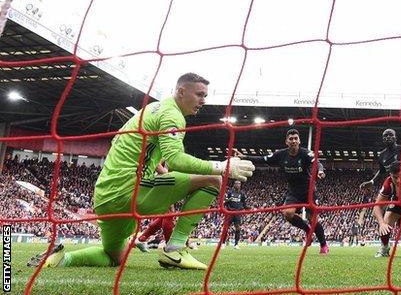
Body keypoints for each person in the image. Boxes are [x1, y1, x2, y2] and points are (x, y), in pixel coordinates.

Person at [28, 73, 255, 270]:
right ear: (181, 91)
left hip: (106, 197)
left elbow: (126, 140)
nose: (203, 101)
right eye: (200, 94)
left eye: (205, 95)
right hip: (130, 192)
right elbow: (176, 160)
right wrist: (223, 166)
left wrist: (156, 167)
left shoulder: (150, 109)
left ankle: (60, 259)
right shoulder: (172, 115)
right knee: (213, 180)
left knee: (114, 257)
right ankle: (175, 249)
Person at [235, 129, 329, 254]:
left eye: (296, 138)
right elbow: (263, 159)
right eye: (291, 139)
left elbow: (317, 162)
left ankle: (323, 245)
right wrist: (244, 157)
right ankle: (307, 230)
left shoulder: (305, 153)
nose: (294, 140)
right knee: (287, 214)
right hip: (293, 192)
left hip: (309, 191)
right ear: (286, 141)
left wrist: (320, 171)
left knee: (314, 220)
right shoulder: (280, 154)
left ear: (299, 141)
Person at [224, 180, 249, 249]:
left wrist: (249, 209)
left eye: (239, 184)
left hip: (238, 213)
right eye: (237, 184)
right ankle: (223, 243)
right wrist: (228, 200)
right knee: (226, 228)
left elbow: (244, 204)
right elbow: (224, 203)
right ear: (234, 185)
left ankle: (236, 244)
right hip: (230, 212)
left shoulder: (242, 193)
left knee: (238, 228)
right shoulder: (230, 192)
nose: (238, 185)